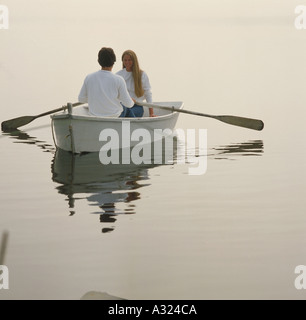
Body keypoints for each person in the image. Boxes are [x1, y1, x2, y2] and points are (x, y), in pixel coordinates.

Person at [78, 47, 135, 118]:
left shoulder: (89, 78)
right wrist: (131, 101)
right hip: (115, 117)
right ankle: (137, 127)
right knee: (127, 109)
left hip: (95, 117)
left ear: (99, 61)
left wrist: (95, 98)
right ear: (113, 61)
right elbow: (129, 104)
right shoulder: (119, 80)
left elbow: (81, 99)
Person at [116, 50, 155, 117]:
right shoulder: (119, 75)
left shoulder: (142, 75)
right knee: (123, 110)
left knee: (128, 112)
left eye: (129, 60)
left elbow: (148, 94)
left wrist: (151, 113)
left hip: (137, 106)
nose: (127, 62)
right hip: (123, 106)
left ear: (134, 61)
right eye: (125, 60)